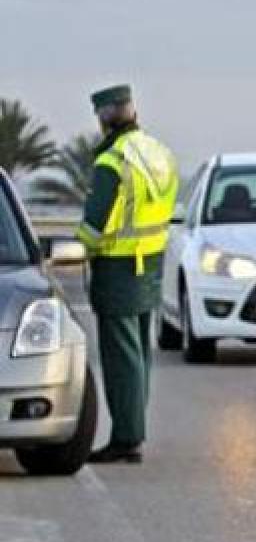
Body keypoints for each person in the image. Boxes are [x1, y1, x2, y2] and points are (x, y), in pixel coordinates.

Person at [76, 85, 179, 465]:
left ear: (103, 117)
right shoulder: (158, 153)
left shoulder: (112, 161)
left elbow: (93, 226)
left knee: (121, 359)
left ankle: (127, 437)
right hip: (149, 263)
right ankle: (133, 429)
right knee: (139, 355)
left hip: (118, 267)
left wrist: (78, 248)